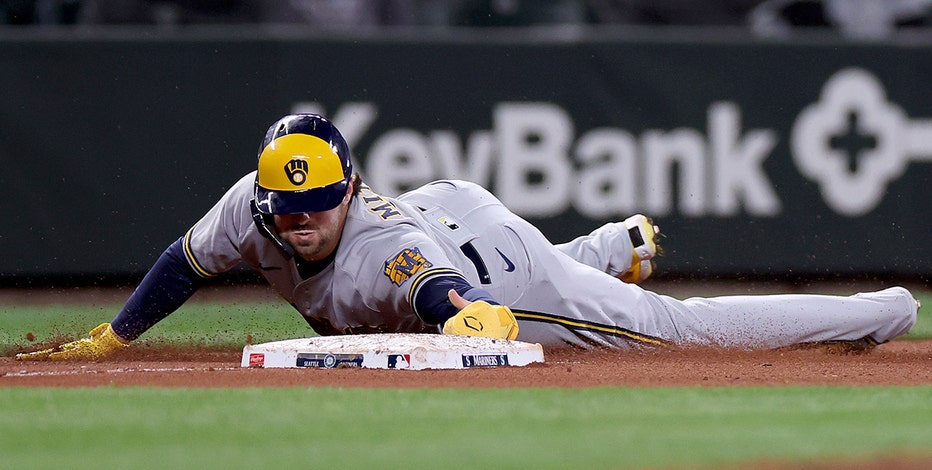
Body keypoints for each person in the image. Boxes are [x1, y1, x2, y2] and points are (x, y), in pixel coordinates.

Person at [17, 113, 919, 360]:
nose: (297, 218)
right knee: (539, 286)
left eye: (318, 202)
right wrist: (113, 335)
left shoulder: (377, 246)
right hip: (460, 213)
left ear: (351, 189)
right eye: (284, 205)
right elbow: (181, 265)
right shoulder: (249, 205)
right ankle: (606, 243)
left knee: (671, 328)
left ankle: (876, 312)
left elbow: (446, 297)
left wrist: (467, 318)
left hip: (491, 265)